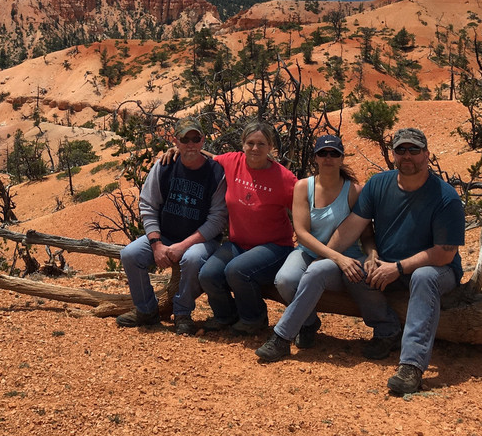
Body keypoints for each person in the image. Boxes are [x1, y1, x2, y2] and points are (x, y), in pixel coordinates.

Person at [322, 127, 464, 396]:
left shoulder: (445, 198)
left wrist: (398, 268)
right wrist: (329, 256)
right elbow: (353, 226)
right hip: (389, 266)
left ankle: (411, 365)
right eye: (401, 150)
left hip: (437, 270)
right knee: (353, 269)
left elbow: (445, 253)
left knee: (423, 277)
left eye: (414, 150)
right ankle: (387, 330)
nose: (407, 155)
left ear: (427, 154)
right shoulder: (379, 184)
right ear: (393, 155)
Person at [255, 134, 379, 361]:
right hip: (310, 252)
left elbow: (367, 234)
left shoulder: (354, 192)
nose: (328, 158)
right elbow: (301, 233)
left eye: (334, 154)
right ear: (315, 158)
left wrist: (372, 254)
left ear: (342, 158)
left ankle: (282, 337)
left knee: (312, 275)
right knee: (285, 280)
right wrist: (333, 256)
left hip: (347, 259)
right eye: (323, 153)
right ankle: (309, 322)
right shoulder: (303, 187)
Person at [116, 118, 227, 335]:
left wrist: (182, 246)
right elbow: (148, 205)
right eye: (185, 139)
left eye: (196, 138)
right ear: (176, 141)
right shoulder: (165, 166)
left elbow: (217, 219)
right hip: (166, 235)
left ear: (203, 141)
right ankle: (146, 311)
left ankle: (183, 312)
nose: (191, 144)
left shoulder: (216, 173)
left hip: (201, 239)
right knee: (130, 254)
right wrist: (156, 244)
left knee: (192, 258)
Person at [196, 119, 297, 335]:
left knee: (237, 270)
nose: (255, 148)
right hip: (239, 243)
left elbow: (301, 211)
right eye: (250, 143)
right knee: (208, 274)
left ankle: (254, 318)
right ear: (242, 144)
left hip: (275, 246)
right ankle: (227, 315)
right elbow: (207, 157)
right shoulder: (233, 161)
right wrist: (176, 151)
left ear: (271, 147)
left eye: (261, 144)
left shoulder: (285, 178)